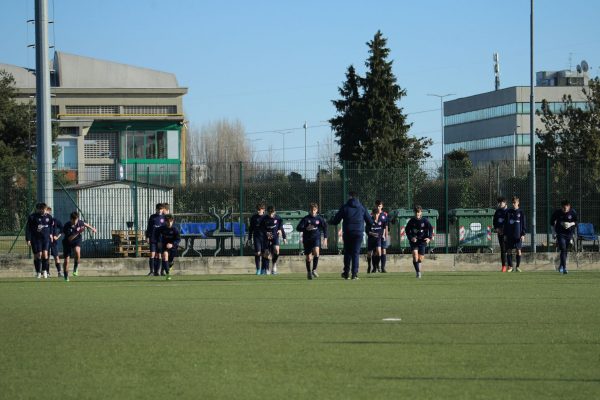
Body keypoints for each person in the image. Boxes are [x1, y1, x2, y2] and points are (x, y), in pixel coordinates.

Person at [329, 191, 373, 280]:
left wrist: (329, 221)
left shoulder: (345, 207)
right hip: (358, 233)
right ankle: (354, 274)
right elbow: (370, 221)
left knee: (348, 252)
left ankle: (346, 273)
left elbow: (336, 220)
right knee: (355, 253)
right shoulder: (362, 208)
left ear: (350, 197)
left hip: (348, 232)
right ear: (357, 197)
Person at [296, 203, 328, 280]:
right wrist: (306, 228)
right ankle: (309, 272)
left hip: (316, 238)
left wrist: (325, 238)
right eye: (311, 210)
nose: (313, 212)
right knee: (308, 258)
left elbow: (325, 227)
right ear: (309, 210)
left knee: (317, 252)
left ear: (317, 210)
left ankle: (314, 270)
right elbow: (298, 228)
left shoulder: (319, 219)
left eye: (314, 210)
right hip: (307, 239)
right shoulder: (306, 219)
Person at [62, 211, 97, 280]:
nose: (75, 221)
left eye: (76, 219)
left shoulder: (79, 222)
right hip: (67, 242)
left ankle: (75, 267)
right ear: (71, 219)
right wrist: (78, 232)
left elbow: (85, 224)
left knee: (77, 251)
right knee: (66, 261)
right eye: (74, 220)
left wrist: (93, 228)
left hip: (77, 240)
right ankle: (66, 275)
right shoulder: (67, 226)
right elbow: (69, 238)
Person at [26, 202, 52, 278]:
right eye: (42, 209)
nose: (44, 211)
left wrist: (51, 234)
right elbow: (28, 229)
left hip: (46, 239)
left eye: (45, 209)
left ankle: (44, 271)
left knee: (45, 254)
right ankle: (38, 272)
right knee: (38, 255)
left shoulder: (49, 217)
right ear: (39, 209)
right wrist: (28, 239)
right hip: (36, 239)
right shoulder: (32, 217)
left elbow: (51, 227)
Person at [405, 205, 433, 279]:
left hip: (422, 241)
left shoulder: (425, 221)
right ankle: (418, 272)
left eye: (419, 212)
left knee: (420, 259)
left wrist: (429, 238)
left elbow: (431, 229)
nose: (417, 214)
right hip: (414, 241)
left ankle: (418, 267)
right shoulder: (411, 221)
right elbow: (407, 230)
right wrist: (411, 238)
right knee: (415, 256)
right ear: (414, 213)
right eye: (416, 212)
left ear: (421, 213)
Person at [551, 199, 577, 274]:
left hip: (569, 234)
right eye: (563, 208)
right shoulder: (557, 212)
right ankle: (565, 268)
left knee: (565, 251)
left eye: (566, 208)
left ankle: (561, 266)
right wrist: (553, 232)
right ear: (561, 207)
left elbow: (576, 222)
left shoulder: (573, 212)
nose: (565, 209)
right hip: (560, 233)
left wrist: (570, 224)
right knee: (563, 249)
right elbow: (551, 222)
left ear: (569, 206)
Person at [259, 206, 287, 275]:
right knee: (266, 253)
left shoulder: (278, 218)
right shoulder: (264, 218)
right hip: (266, 237)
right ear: (267, 212)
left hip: (275, 236)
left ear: (274, 212)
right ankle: (265, 268)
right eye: (269, 213)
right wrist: (266, 232)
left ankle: (274, 265)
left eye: (272, 213)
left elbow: (281, 227)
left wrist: (284, 237)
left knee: (277, 250)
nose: (271, 215)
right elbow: (261, 228)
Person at [503, 196, 526, 273]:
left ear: (518, 203)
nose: (513, 204)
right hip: (509, 235)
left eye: (514, 203)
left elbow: (523, 224)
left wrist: (523, 234)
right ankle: (510, 267)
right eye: (512, 203)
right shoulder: (508, 212)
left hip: (518, 235)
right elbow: (505, 224)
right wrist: (505, 234)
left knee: (518, 251)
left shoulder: (521, 212)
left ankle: (518, 267)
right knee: (509, 250)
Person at [154, 214, 181, 281]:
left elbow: (178, 239)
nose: (169, 223)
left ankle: (170, 264)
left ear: (173, 221)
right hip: (164, 246)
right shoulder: (162, 228)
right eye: (167, 222)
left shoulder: (175, 229)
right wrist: (158, 242)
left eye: (170, 221)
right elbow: (155, 233)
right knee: (165, 256)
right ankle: (168, 274)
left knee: (170, 261)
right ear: (165, 222)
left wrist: (172, 244)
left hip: (173, 247)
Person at [145, 203, 166, 276]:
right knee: (152, 254)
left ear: (163, 209)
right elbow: (149, 227)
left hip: (160, 240)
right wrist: (147, 236)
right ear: (156, 209)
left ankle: (157, 272)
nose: (160, 210)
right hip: (153, 238)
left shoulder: (164, 217)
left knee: (159, 255)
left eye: (161, 209)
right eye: (158, 209)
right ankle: (151, 271)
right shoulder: (152, 217)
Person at [247, 203, 266, 275]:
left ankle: (263, 269)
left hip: (265, 238)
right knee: (258, 253)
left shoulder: (266, 217)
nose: (258, 211)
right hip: (257, 237)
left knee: (264, 254)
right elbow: (251, 228)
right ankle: (258, 269)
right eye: (257, 210)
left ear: (263, 210)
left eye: (259, 210)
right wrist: (249, 238)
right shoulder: (254, 217)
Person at [366, 207, 384, 274]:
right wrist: (372, 233)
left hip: (378, 239)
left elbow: (382, 229)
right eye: (375, 214)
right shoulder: (370, 221)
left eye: (377, 214)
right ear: (372, 214)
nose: (376, 215)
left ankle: (377, 265)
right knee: (369, 254)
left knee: (379, 252)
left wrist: (382, 235)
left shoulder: (380, 221)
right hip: (371, 239)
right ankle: (369, 266)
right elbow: (367, 231)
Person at [493, 197, 509, 272]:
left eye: (501, 202)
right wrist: (497, 229)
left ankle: (510, 266)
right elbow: (495, 222)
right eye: (498, 202)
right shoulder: (497, 212)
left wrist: (506, 230)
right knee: (502, 249)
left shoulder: (509, 211)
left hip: (508, 234)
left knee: (509, 249)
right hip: (500, 233)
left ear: (505, 203)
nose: (499, 204)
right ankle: (503, 266)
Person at [47, 207, 64, 278]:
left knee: (56, 257)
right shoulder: (43, 221)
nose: (46, 213)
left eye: (47, 212)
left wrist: (57, 236)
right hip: (46, 241)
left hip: (54, 242)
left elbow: (62, 229)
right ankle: (47, 272)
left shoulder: (55, 220)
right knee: (46, 257)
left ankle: (59, 272)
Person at [375, 200, 391, 273]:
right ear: (376, 206)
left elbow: (386, 226)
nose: (379, 208)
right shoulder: (373, 214)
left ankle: (383, 268)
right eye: (377, 206)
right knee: (378, 252)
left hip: (383, 235)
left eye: (380, 206)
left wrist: (386, 235)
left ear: (382, 206)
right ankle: (376, 265)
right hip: (376, 236)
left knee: (384, 250)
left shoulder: (385, 214)